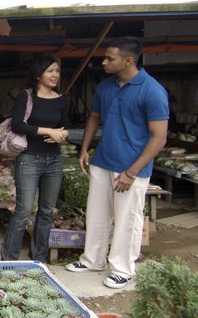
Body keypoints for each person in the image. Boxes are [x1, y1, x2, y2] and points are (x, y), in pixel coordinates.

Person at [65, 37, 169, 289]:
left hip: (132, 167)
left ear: (129, 60)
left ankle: (123, 269)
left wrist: (131, 172)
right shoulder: (106, 86)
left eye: (110, 58)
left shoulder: (152, 90)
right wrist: (85, 148)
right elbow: (94, 118)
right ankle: (92, 259)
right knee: (97, 214)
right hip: (103, 160)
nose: (104, 62)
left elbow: (159, 138)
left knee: (127, 219)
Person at [0, 54, 68, 262]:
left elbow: (64, 126)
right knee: (23, 210)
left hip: (54, 161)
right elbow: (18, 125)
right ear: (39, 75)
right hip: (29, 159)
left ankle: (38, 258)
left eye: (56, 70)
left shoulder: (61, 98)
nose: (55, 75)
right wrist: (48, 131)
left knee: (47, 211)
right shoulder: (26, 96)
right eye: (50, 71)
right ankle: (8, 260)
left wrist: (63, 135)